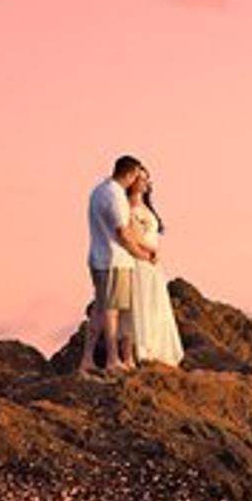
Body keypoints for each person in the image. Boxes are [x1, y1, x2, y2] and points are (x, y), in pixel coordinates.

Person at [84, 155, 156, 374]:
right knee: (111, 312)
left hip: (98, 256)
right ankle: (112, 359)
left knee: (100, 310)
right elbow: (123, 233)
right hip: (113, 259)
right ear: (131, 173)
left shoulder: (99, 190)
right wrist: (142, 255)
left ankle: (87, 359)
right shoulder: (115, 196)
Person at [124, 165, 183, 367]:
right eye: (141, 178)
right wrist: (150, 249)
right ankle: (142, 349)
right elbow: (133, 235)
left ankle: (155, 348)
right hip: (141, 259)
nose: (145, 182)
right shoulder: (129, 208)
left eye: (147, 179)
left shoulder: (146, 207)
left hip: (152, 261)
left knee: (154, 303)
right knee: (140, 303)